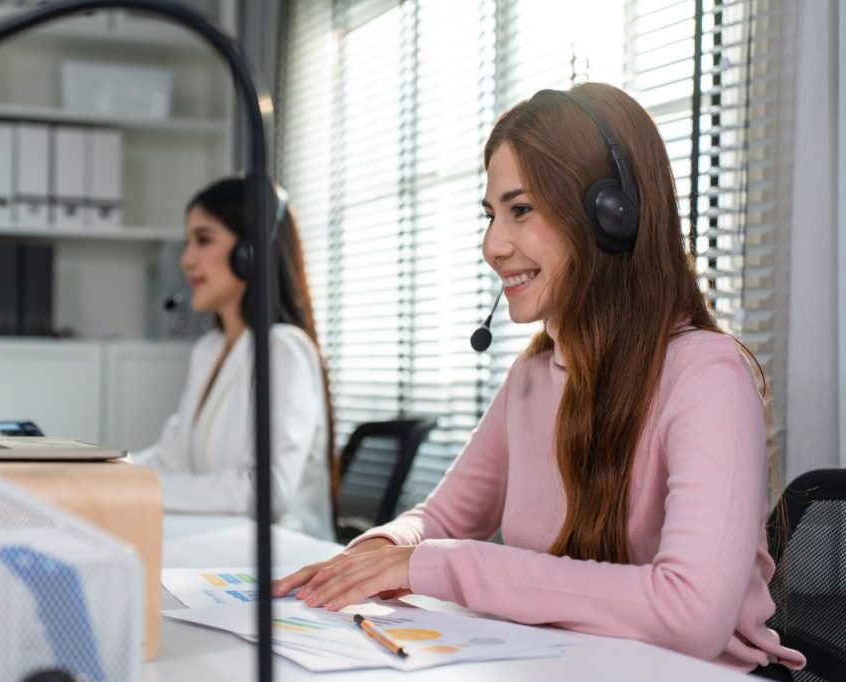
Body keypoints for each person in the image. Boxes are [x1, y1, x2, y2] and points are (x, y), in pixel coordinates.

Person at [273, 83, 805, 678]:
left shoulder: (707, 376)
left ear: (612, 216)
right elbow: (442, 519)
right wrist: (383, 549)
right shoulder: (534, 374)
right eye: (491, 215)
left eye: (520, 209)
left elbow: (692, 613)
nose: (492, 245)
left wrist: (433, 566)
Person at [129, 176, 336, 540]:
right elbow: (170, 458)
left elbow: (267, 490)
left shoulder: (284, 349)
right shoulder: (208, 350)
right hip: (221, 542)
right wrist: (106, 472)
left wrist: (151, 489)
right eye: (188, 241)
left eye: (204, 240)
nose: (186, 259)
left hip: (283, 562)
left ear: (248, 253)